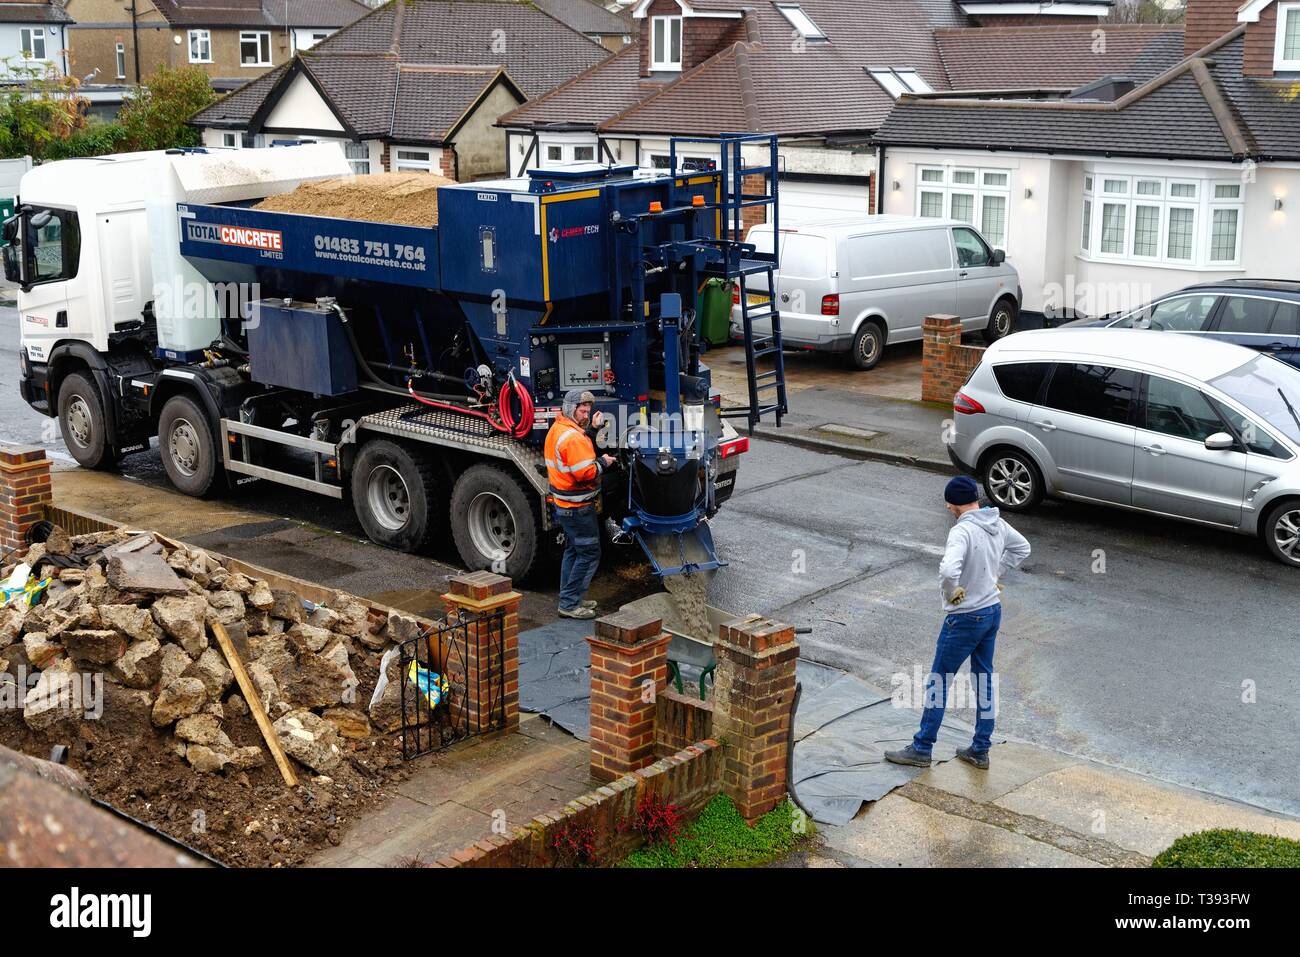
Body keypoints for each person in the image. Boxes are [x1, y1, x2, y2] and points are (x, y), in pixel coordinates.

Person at [885, 475, 1031, 770]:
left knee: (939, 680)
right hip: (992, 611)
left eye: (948, 503)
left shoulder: (961, 532)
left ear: (953, 504)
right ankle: (980, 749)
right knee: (984, 680)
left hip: (965, 617)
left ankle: (922, 748)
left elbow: (949, 569)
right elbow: (1023, 548)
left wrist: (953, 594)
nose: (947, 507)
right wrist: (994, 576)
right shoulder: (997, 523)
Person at [545, 389, 617, 619]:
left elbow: (577, 448)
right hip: (577, 507)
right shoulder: (573, 438)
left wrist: (592, 429)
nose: (586, 414)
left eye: (588, 411)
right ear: (570, 409)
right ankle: (569, 604)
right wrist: (604, 463)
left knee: (574, 551)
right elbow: (584, 472)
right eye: (582, 410)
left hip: (564, 504)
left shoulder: (560, 429)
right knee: (589, 553)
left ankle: (570, 596)